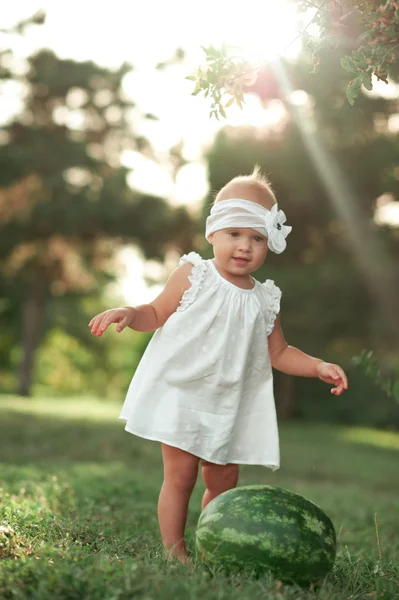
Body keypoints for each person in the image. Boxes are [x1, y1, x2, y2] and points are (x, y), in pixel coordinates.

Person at [89, 168, 348, 565]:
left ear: (270, 243)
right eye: (234, 234)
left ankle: (216, 541)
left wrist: (316, 366)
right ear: (213, 233)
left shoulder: (266, 299)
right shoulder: (194, 275)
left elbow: (279, 353)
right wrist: (129, 312)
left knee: (224, 480)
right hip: (183, 392)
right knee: (181, 476)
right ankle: (176, 552)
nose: (244, 246)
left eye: (257, 238)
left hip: (231, 402)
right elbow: (156, 312)